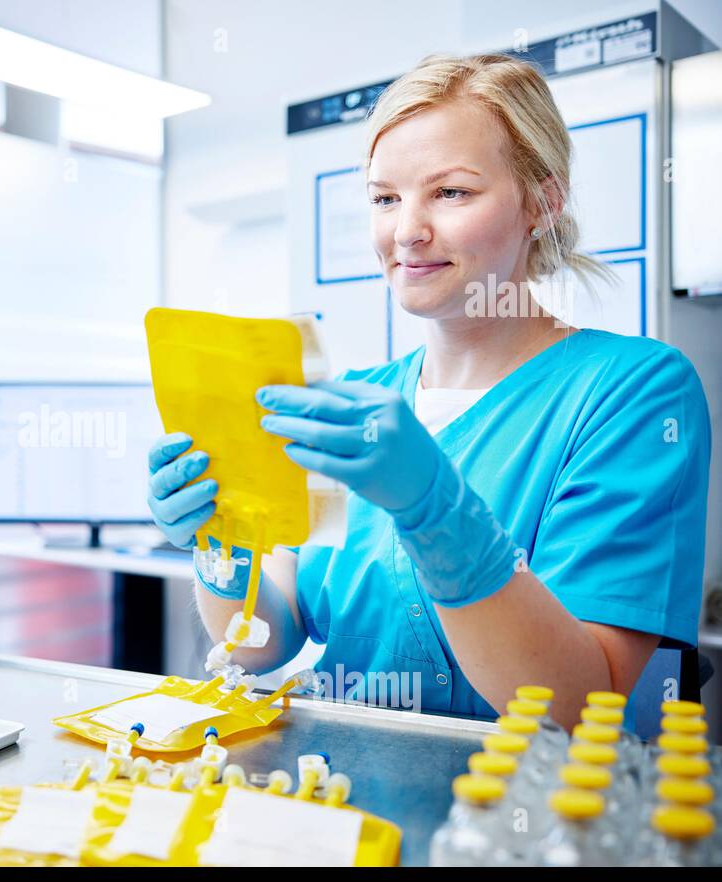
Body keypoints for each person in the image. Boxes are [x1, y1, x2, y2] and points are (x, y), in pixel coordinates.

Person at [147, 53, 710, 729]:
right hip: (342, 797)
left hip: (521, 817)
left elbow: (576, 704)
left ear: (543, 203)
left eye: (451, 193)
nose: (406, 230)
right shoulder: (355, 401)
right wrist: (220, 539)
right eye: (385, 197)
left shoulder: (634, 393)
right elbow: (266, 643)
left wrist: (432, 508)